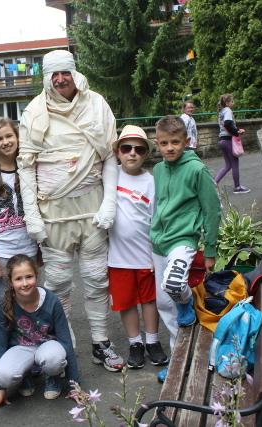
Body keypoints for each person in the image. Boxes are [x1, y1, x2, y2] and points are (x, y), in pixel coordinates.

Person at [18, 49, 123, 371]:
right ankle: (64, 345)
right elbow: (26, 167)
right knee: (58, 283)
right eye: (55, 74)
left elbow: (110, 156)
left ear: (74, 73)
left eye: (65, 72)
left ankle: (101, 342)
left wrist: (109, 202)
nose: (61, 79)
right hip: (54, 215)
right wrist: (32, 216)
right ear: (46, 78)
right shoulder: (34, 112)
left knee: (96, 278)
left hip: (93, 211)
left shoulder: (97, 105)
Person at [150, 115, 221, 382]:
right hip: (159, 242)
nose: (170, 148)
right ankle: (179, 360)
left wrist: (210, 250)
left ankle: (187, 302)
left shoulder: (197, 170)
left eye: (175, 142)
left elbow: (212, 210)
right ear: (157, 143)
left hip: (183, 240)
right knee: (164, 304)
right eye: (164, 143)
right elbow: (159, 205)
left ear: (186, 141)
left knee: (174, 285)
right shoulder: (158, 170)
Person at [106, 125, 168, 369]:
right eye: (126, 148)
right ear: (117, 151)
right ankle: (135, 343)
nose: (132, 153)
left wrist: (157, 254)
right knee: (127, 302)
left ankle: (152, 341)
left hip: (145, 254)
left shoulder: (151, 182)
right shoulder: (110, 175)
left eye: (139, 149)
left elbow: (156, 218)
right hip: (117, 257)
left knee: (150, 300)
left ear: (146, 154)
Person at [0, 254, 79, 412]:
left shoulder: (51, 301)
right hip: (22, 348)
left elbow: (66, 341)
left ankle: (53, 376)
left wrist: (74, 386)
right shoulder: (4, 305)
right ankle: (24, 376)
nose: (25, 283)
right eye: (18, 279)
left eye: (29, 277)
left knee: (54, 359)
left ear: (36, 275)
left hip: (48, 346)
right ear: (11, 282)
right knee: (4, 376)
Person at [0, 118, 38, 302]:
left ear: (18, 138)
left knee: (30, 300)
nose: (6, 142)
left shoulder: (29, 169)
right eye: (0, 139)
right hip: (2, 252)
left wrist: (41, 250)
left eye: (9, 136)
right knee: (7, 303)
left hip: (29, 249)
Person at [214, 94, 250, 194]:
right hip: (228, 140)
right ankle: (237, 187)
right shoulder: (227, 110)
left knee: (228, 165)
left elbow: (226, 125)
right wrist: (237, 132)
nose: (233, 103)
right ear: (227, 103)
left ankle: (213, 183)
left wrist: (236, 130)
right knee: (234, 164)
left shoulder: (221, 111)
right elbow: (228, 124)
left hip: (222, 140)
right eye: (232, 101)